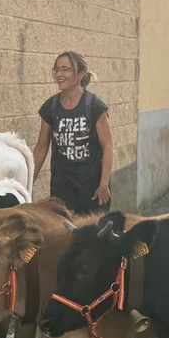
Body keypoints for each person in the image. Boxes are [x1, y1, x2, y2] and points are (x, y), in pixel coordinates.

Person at [33, 50, 113, 215]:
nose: (59, 74)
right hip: (62, 186)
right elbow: (41, 147)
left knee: (91, 235)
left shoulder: (94, 106)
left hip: (91, 186)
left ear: (81, 74)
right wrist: (28, 181)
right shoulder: (50, 107)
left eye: (66, 69)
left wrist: (104, 184)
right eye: (57, 69)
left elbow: (108, 147)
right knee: (64, 235)